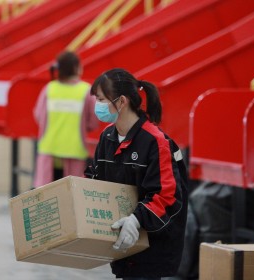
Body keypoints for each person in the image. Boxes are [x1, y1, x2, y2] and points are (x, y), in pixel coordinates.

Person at [85, 68, 188, 279]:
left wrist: (136, 220)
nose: (98, 106)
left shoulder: (156, 142)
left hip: (152, 247)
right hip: (123, 247)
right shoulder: (108, 137)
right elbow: (94, 179)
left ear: (121, 102)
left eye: (102, 99)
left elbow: (167, 196)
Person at [33, 51, 98, 187]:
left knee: (47, 198)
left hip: (49, 151)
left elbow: (38, 116)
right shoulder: (85, 90)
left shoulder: (49, 89)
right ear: (76, 68)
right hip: (74, 151)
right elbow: (93, 122)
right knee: (71, 197)